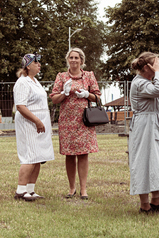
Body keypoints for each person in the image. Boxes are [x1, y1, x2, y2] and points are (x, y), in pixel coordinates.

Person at [50, 48, 101, 200]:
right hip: (67, 121)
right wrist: (64, 94)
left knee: (83, 154)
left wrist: (87, 94)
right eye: (71, 57)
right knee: (69, 155)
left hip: (84, 120)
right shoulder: (62, 76)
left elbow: (98, 97)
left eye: (76, 58)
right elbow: (54, 98)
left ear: (81, 60)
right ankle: (72, 188)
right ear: (68, 60)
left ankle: (83, 189)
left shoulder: (89, 75)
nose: (73, 60)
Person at [129, 52, 159, 213]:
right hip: (144, 127)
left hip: (153, 125)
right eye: (156, 65)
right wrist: (158, 73)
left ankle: (156, 201)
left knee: (157, 161)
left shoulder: (147, 82)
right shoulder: (140, 83)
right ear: (147, 67)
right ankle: (144, 205)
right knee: (144, 162)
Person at [13, 53, 55, 201]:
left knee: (38, 156)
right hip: (29, 123)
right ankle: (20, 190)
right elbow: (20, 106)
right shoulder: (22, 82)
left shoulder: (35, 81)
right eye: (36, 62)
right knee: (29, 156)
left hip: (40, 124)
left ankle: (30, 190)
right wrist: (36, 120)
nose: (39, 64)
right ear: (28, 65)